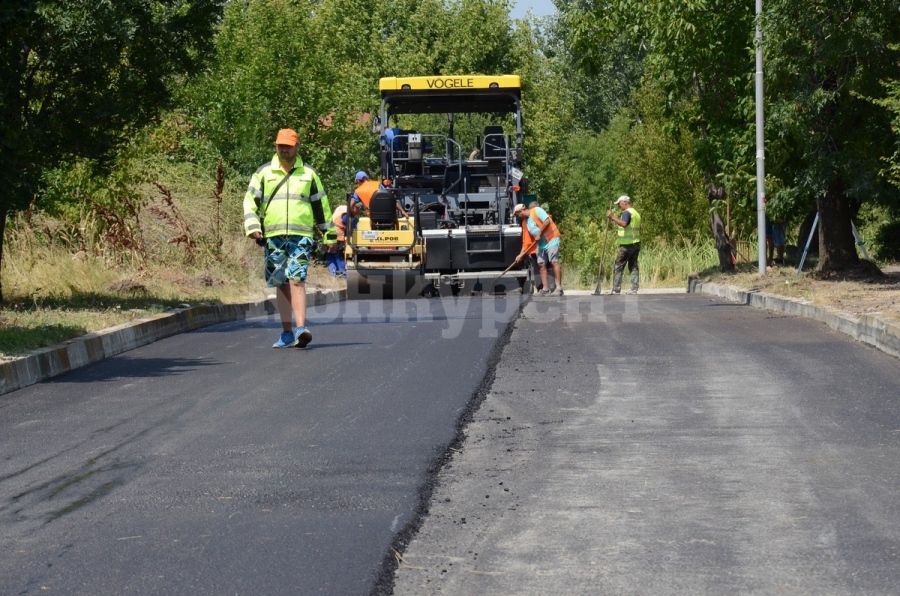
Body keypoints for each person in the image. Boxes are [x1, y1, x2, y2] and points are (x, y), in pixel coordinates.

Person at [244, 128, 334, 348]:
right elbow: (250, 201)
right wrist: (253, 226)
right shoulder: (264, 173)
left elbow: (321, 206)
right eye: (280, 145)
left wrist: (329, 235)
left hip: (301, 236)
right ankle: (286, 332)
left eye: (288, 145)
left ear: (297, 147)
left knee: (297, 279)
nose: (284, 149)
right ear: (276, 146)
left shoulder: (308, 174)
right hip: (273, 236)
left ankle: (301, 329)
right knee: (281, 282)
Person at [514, 202, 563, 296]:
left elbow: (547, 221)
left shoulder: (536, 211)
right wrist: (520, 255)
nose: (517, 216)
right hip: (541, 244)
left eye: (517, 214)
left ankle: (559, 288)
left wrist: (539, 234)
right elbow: (526, 242)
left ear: (521, 211)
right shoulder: (526, 222)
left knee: (554, 262)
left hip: (551, 239)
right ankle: (545, 289)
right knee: (541, 264)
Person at [606, 195, 642, 295]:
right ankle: (634, 289)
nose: (618, 206)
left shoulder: (626, 213)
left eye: (619, 204)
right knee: (633, 265)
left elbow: (624, 224)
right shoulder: (636, 213)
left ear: (625, 202)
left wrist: (612, 217)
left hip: (627, 245)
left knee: (618, 265)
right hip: (636, 243)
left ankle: (616, 289)